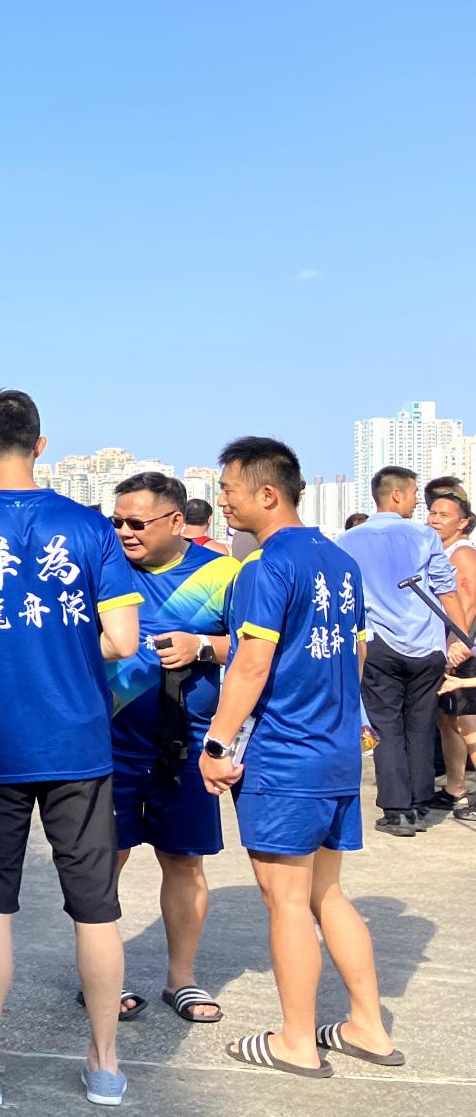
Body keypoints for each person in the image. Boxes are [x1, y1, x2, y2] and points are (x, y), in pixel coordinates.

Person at [0, 389, 142, 1109]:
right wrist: (67, 646)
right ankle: (105, 1067)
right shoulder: (90, 527)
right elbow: (124, 639)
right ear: (41, 445)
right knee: (97, 908)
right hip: (79, 745)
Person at [200, 437, 401, 1076]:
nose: (222, 501)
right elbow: (358, 652)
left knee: (286, 900)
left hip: (285, 755)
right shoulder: (339, 561)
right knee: (326, 893)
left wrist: (217, 743)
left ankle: (295, 1040)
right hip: (336, 751)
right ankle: (367, 1026)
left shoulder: (264, 567)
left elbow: (250, 664)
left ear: (267, 493)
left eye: (228, 489)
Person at [103, 472, 240, 1023]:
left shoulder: (222, 573)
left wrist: (201, 645)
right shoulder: (102, 568)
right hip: (107, 745)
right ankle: (101, 975)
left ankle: (181, 979)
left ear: (177, 521)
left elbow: (253, 650)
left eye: (137, 523)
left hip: (186, 746)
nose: (125, 533)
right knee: (103, 860)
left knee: (183, 861)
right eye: (117, 522)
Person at [335, 465, 468, 835]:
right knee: (421, 724)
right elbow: (446, 590)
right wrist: (457, 639)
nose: (416, 503)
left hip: (377, 643)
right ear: (396, 495)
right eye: (412, 494)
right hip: (426, 644)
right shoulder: (424, 536)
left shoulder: (347, 541)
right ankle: (421, 803)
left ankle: (397, 812)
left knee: (386, 725)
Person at [425, 489, 476, 822]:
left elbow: (468, 603)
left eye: (444, 515)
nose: (435, 520)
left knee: (469, 724)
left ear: (463, 523)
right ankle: (455, 788)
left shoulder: (462, 553)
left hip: (463, 650)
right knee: (449, 721)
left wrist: (458, 645)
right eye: (432, 513)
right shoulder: (441, 551)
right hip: (451, 648)